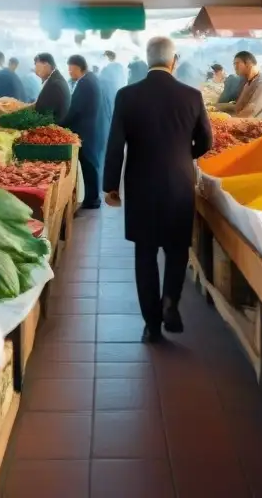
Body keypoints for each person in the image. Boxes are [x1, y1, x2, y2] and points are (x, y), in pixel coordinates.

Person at [104, 37, 213, 343]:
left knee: (145, 252)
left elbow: (115, 145)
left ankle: (151, 325)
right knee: (177, 248)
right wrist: (184, 155)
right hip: (179, 183)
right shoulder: (192, 96)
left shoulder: (127, 96)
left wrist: (111, 185)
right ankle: (171, 301)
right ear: (173, 60)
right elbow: (207, 141)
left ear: (147, 59)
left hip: (141, 184)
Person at [63, 55, 105, 209]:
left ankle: (92, 199)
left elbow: (75, 109)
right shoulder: (90, 79)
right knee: (90, 163)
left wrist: (60, 124)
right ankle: (92, 197)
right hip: (90, 127)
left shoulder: (85, 83)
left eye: (71, 68)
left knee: (88, 164)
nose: (70, 72)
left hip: (85, 130)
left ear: (79, 67)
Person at [219, 51, 262, 118]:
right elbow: (238, 107)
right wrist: (216, 107)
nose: (235, 67)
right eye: (234, 64)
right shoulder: (248, 83)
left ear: (248, 63)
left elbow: (250, 113)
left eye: (237, 63)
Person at [33, 52, 70, 121]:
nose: (36, 71)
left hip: (51, 127)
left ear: (46, 65)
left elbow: (44, 113)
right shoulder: (55, 79)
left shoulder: (55, 84)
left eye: (37, 66)